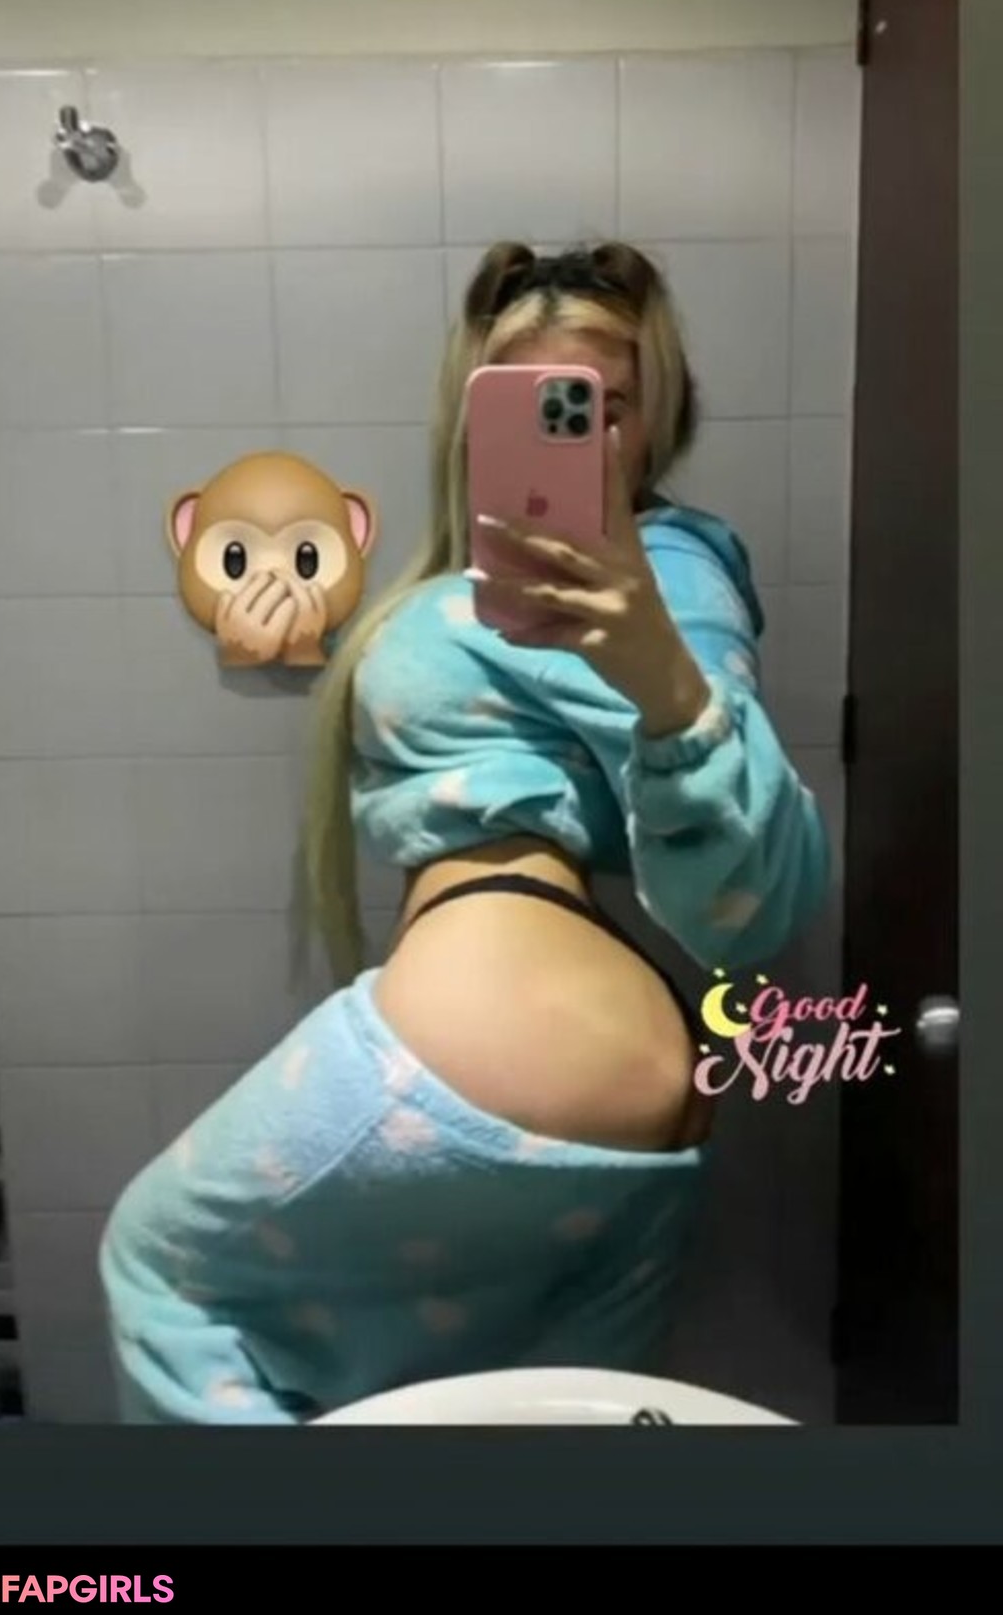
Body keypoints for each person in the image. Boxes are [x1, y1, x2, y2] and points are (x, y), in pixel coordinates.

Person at [99, 239, 831, 1424]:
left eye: (602, 403)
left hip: (510, 1023)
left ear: (661, 413)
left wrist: (666, 674)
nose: (575, 433)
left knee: (158, 1261)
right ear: (471, 413)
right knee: (541, 1414)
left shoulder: (670, 572)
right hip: (604, 1065)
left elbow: (757, 898)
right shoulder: (490, 584)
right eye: (529, 400)